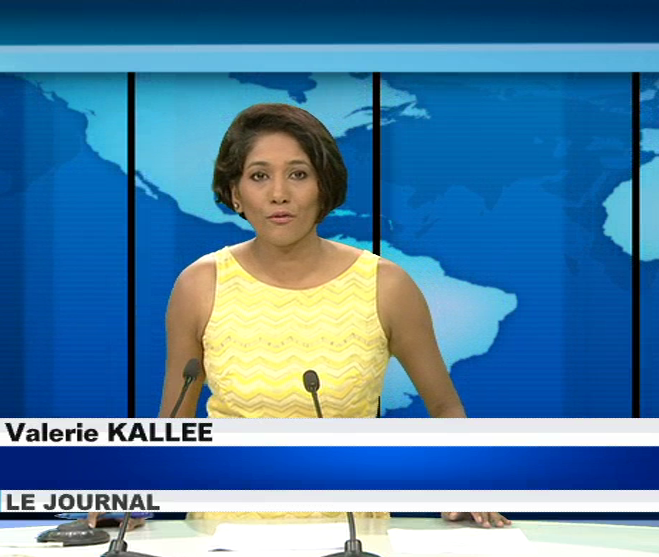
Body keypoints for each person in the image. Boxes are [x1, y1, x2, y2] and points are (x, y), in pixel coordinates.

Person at [92, 103, 508, 530]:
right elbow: (175, 424)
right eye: (259, 176)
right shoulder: (200, 285)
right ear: (235, 193)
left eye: (298, 174)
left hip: (352, 539)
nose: (279, 194)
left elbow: (445, 406)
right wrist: (131, 497)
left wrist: (465, 483)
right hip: (223, 538)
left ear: (324, 186)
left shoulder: (386, 286)